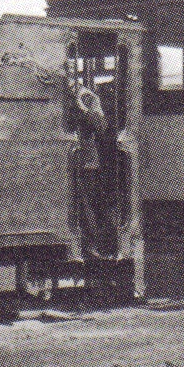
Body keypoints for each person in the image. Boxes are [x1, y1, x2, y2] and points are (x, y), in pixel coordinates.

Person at [70, 82, 118, 258]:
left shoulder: (84, 98)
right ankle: (97, 243)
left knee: (91, 203)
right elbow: (101, 125)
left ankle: (97, 244)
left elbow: (100, 125)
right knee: (90, 203)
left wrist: (86, 110)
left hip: (88, 162)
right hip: (86, 161)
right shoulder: (83, 98)